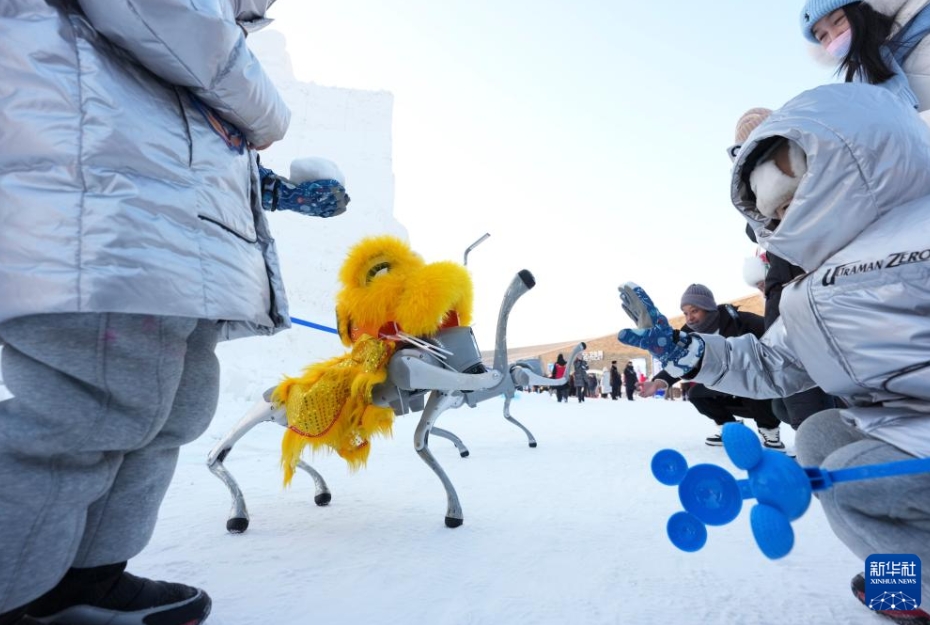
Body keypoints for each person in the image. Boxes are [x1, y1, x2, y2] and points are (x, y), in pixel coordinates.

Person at [0, 2, 347, 624]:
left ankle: (83, 582)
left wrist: (275, 191)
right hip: (99, 213)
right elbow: (159, 15)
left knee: (171, 413)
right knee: (83, 414)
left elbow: (181, 127)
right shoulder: (212, 38)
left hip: (175, 238)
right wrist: (269, 113)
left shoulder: (209, 40)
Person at [619, 83, 930, 623]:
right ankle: (904, 576)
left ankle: (915, 585)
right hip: (905, 431)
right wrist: (687, 353)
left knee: (853, 485)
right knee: (817, 436)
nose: (784, 221)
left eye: (792, 202)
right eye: (775, 212)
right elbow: (774, 362)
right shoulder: (812, 291)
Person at [734, 108, 837, 436]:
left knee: (820, 414)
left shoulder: (822, 184)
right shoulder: (765, 216)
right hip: (788, 308)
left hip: (819, 306)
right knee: (796, 408)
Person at [638, 284, 784, 450]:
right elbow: (679, 362)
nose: (689, 318)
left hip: (757, 386)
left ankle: (769, 430)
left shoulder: (739, 320)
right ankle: (731, 429)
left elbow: (777, 335)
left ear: (707, 307)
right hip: (723, 386)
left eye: (694, 311)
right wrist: (657, 382)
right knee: (696, 394)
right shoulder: (688, 335)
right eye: (685, 313)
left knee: (750, 382)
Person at [800, 0, 930, 110]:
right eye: (822, 36)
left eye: (838, 20)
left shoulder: (923, 27)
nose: (834, 35)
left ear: (862, 8)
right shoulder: (858, 82)